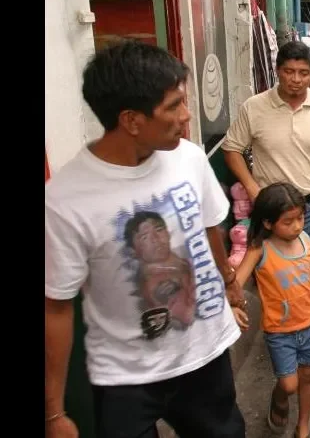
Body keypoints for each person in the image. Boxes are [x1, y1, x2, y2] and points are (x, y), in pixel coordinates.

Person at [45, 40, 247, 438]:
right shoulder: (64, 200)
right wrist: (54, 412)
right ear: (131, 120)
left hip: (204, 359)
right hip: (125, 378)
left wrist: (228, 281)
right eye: (173, 106)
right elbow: (56, 307)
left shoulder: (188, 158)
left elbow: (209, 227)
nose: (187, 116)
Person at [222, 41, 310, 269]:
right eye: (289, 71)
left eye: (303, 73)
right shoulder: (254, 107)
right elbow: (231, 149)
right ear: (278, 70)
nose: (296, 79)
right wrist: (251, 188)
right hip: (269, 210)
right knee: (271, 276)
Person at [233, 182, 310, 438]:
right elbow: (235, 283)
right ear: (268, 223)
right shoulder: (260, 248)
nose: (298, 226)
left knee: (308, 376)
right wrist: (234, 305)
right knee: (289, 384)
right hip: (279, 331)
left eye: (300, 218)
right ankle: (280, 398)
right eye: (288, 221)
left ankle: (302, 428)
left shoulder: (305, 241)